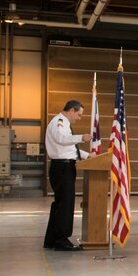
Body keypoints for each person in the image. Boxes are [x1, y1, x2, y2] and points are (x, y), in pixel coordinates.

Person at [43, 99, 92, 251]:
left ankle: (52, 239)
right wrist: (80, 138)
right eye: (79, 114)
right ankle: (61, 240)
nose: (79, 118)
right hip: (62, 168)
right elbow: (61, 140)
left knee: (60, 204)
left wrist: (88, 156)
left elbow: (69, 150)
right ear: (71, 110)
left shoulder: (64, 124)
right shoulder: (59, 122)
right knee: (65, 205)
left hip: (63, 166)